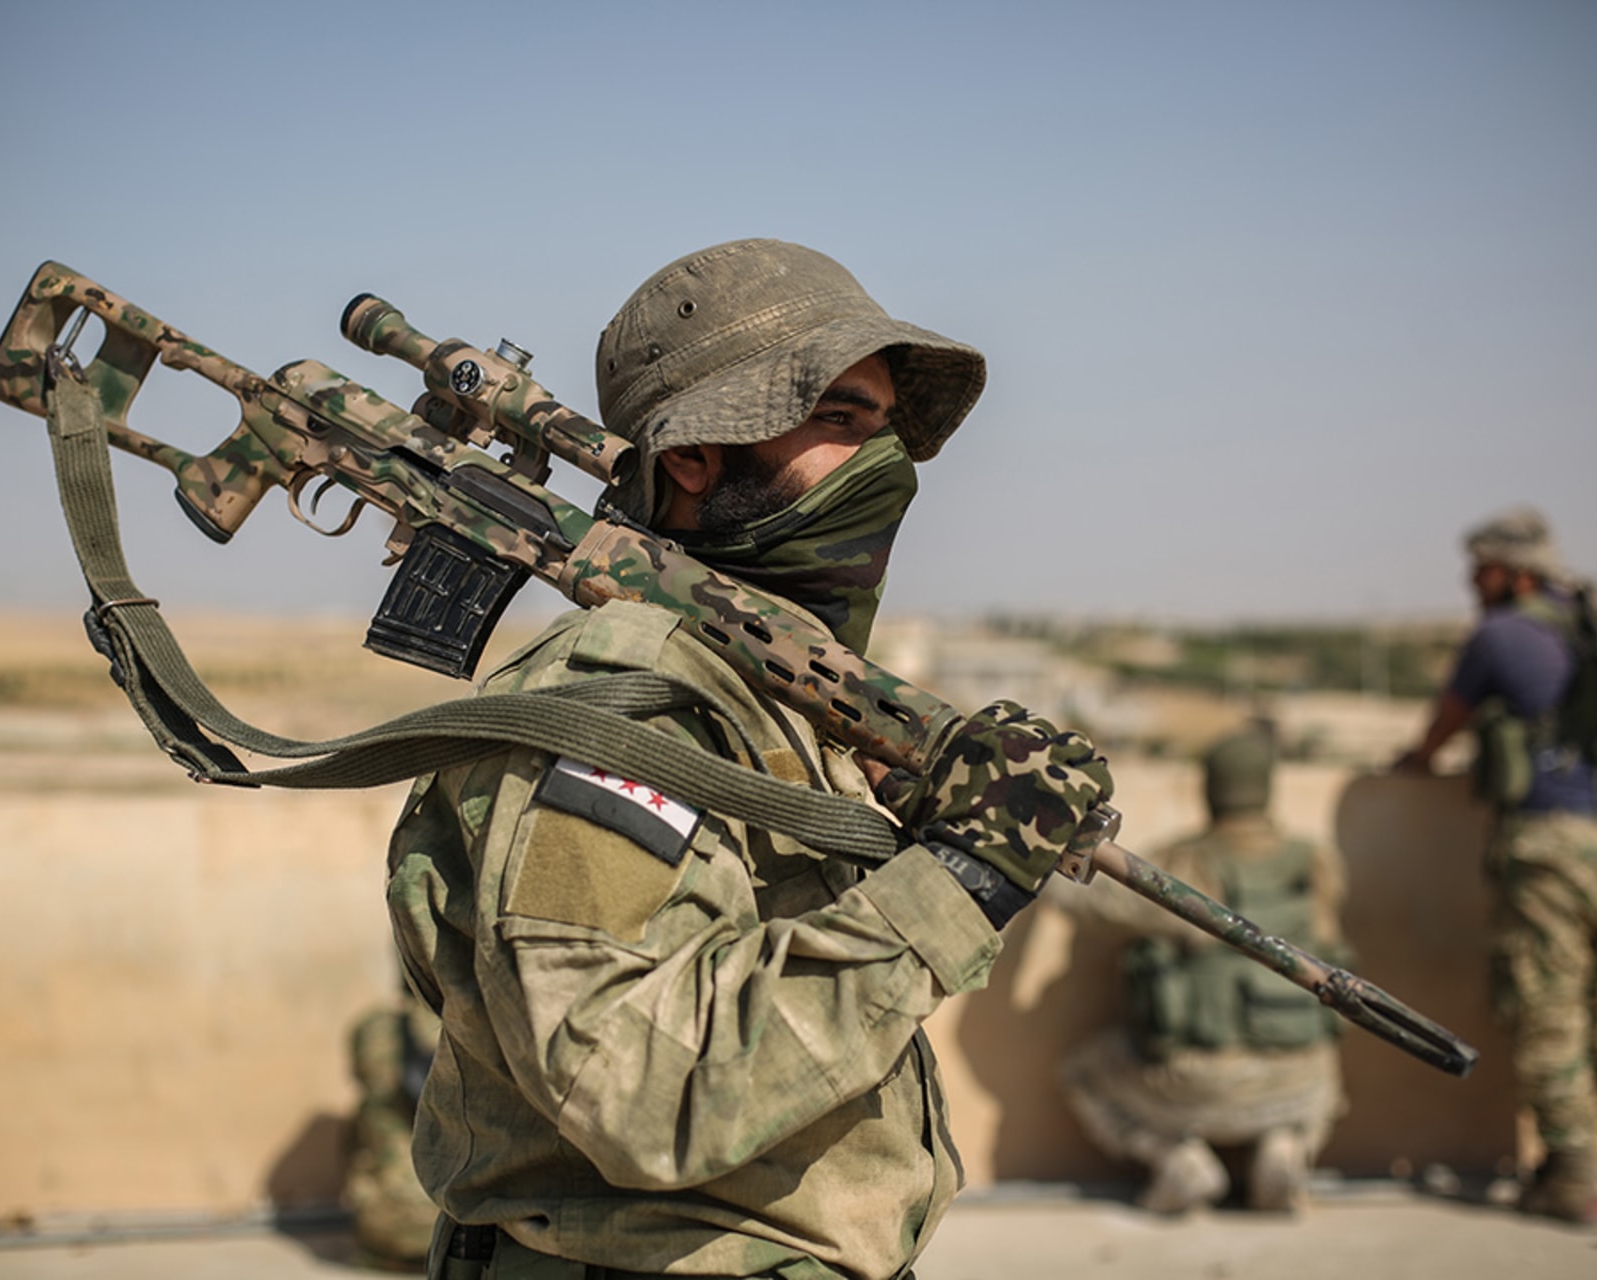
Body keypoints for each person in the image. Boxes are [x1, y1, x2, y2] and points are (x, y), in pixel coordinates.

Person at [385, 239, 1116, 1280]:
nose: (883, 462)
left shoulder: (755, 686)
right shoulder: (626, 703)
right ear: (693, 456)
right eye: (836, 420)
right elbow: (638, 1087)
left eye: (880, 424)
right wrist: (958, 883)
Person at [1394, 506, 1597, 1224]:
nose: (1474, 581)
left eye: (1483, 567)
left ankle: (1572, 1177)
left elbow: (1440, 729)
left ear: (1516, 569)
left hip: (1549, 849)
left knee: (1548, 1010)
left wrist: (1415, 764)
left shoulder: (1500, 635)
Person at [1057, 726, 1348, 1215]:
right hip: (1304, 1074)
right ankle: (1287, 1145)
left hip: (1199, 1078)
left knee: (1083, 1071)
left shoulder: (1185, 863)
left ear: (1210, 787)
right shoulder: (1316, 862)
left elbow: (1094, 904)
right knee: (1326, 1067)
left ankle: (1176, 1158)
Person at [344, 991, 444, 1271]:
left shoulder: (374, 1028)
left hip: (385, 1229)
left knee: (370, 1112)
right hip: (456, 1225)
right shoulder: (471, 1020)